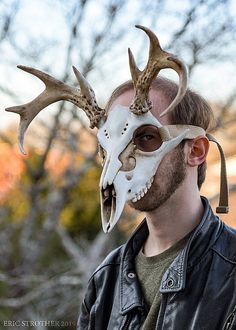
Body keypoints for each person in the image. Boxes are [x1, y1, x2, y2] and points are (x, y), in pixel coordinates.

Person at [77, 77, 236, 330]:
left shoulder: (230, 272)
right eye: (109, 147)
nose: (120, 164)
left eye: (146, 137)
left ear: (195, 150)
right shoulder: (105, 279)